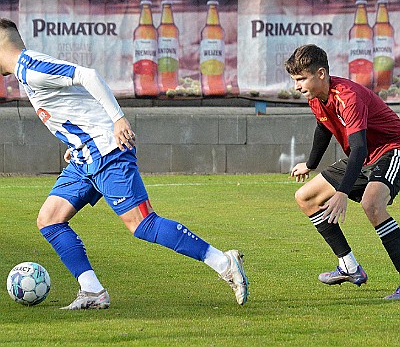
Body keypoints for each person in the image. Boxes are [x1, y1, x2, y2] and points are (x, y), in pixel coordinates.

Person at [0, 18, 249, 309]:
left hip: (107, 151)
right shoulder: (25, 72)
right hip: (85, 156)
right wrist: (75, 141)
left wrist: (117, 120)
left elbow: (88, 76)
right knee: (50, 220)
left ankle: (223, 262)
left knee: (142, 224)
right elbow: (74, 104)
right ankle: (92, 291)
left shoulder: (32, 67)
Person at [285, 44, 400, 299]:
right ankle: (349, 267)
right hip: (366, 155)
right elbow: (324, 128)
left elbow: (358, 147)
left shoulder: (348, 96)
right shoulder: (317, 98)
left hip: (392, 148)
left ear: (321, 74)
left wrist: (342, 192)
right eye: (295, 80)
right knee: (306, 198)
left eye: (301, 79)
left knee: (372, 205)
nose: (297, 86)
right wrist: (311, 164)